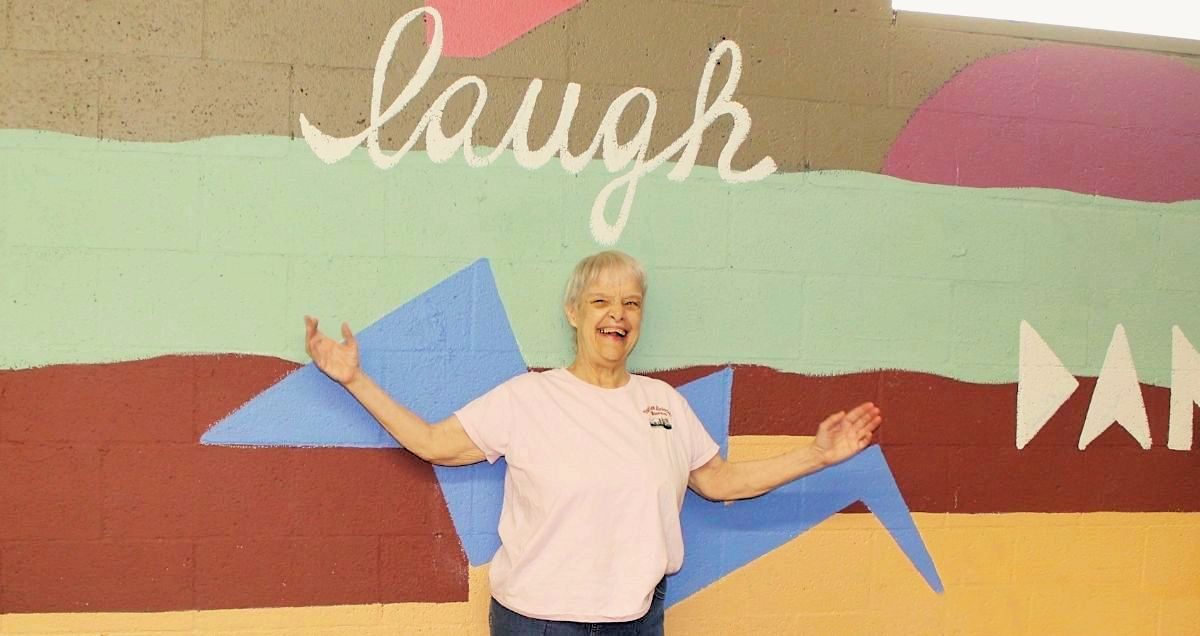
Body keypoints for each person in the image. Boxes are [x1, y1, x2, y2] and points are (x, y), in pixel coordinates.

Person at [304, 250, 882, 635]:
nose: (618, 314)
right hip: (536, 623)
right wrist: (354, 380)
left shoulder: (665, 404)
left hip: (635, 621)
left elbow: (718, 481)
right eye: (602, 301)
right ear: (573, 313)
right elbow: (432, 442)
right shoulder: (527, 398)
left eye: (631, 303)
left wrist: (817, 454)